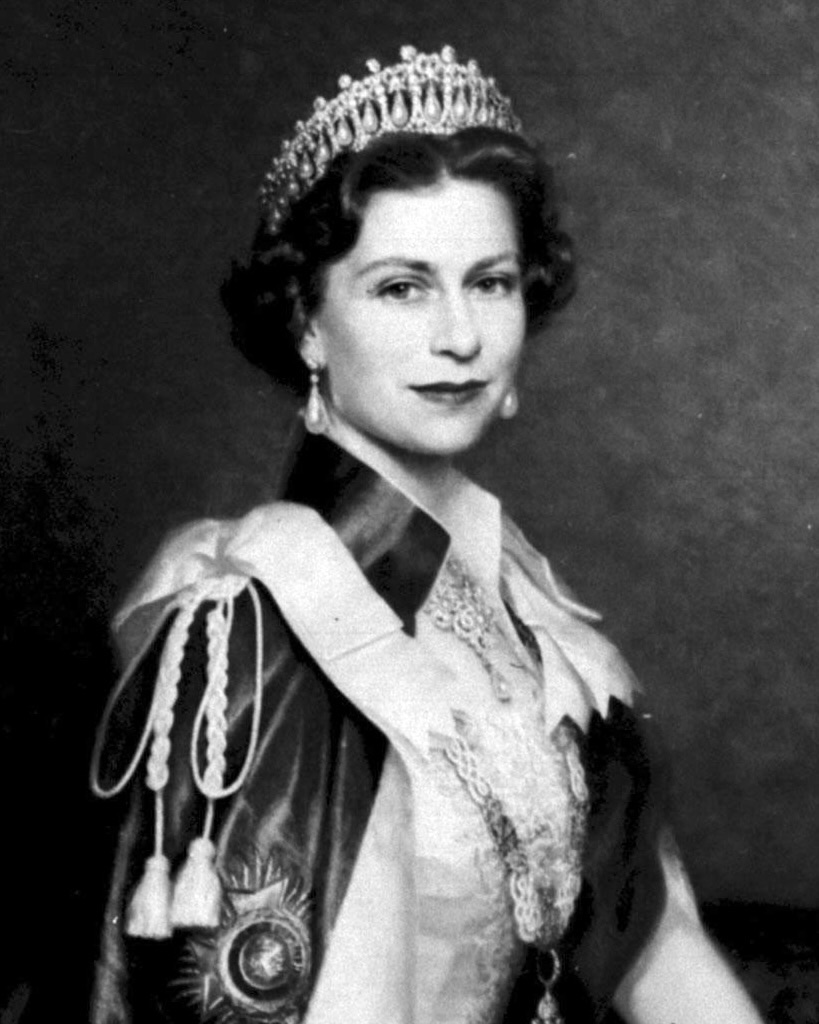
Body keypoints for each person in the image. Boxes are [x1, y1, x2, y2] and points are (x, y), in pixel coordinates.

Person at [89, 45, 763, 1024]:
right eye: (403, 287)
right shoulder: (259, 633)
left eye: (489, 282)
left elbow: (652, 935)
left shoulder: (527, 604)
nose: (460, 337)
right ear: (307, 323)